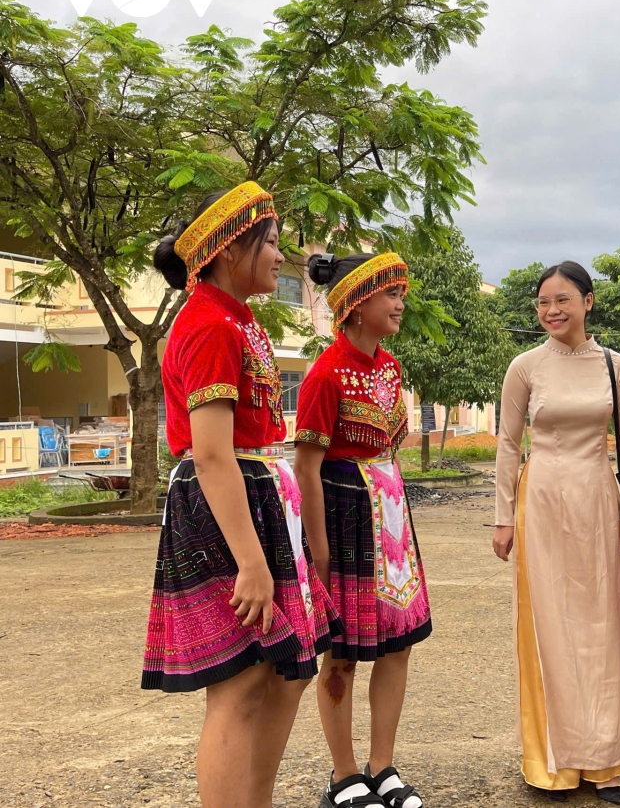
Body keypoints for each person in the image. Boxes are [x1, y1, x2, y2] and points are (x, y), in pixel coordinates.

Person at [143, 183, 341, 808]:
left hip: (260, 497)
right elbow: (209, 454)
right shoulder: (207, 324)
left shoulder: (239, 318)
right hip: (227, 502)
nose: (281, 258)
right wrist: (252, 563)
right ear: (231, 249)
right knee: (238, 683)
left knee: (285, 674)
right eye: (272, 244)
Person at [493, 261, 620, 804]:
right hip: (539, 500)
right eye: (543, 303)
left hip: (598, 499)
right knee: (549, 625)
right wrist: (501, 516)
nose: (551, 311)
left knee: (603, 624)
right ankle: (553, 764)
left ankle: (607, 759)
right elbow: (507, 442)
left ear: (588, 302)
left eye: (562, 299)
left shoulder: (615, 366)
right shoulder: (524, 367)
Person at [294, 253, 431, 808]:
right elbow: (306, 467)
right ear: (354, 305)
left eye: (400, 292)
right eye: (389, 295)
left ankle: (382, 765)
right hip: (345, 514)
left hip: (390, 512)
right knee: (344, 651)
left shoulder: (390, 367)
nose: (400, 304)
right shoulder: (325, 374)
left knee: (397, 647)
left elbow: (389, 446)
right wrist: (319, 552)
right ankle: (344, 774)